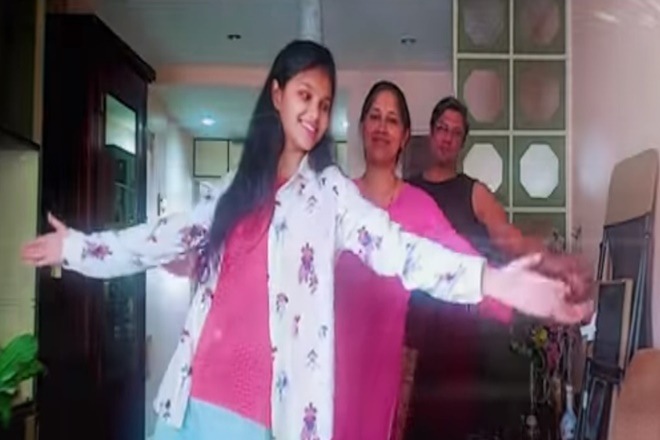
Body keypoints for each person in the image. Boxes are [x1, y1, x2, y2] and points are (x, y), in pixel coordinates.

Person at [21, 41, 591, 440]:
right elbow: (163, 237)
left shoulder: (332, 196)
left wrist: (499, 282)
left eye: (323, 102)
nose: (315, 113)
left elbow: (405, 252)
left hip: (260, 416)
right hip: (183, 405)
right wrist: (77, 249)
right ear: (276, 94)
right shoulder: (236, 190)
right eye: (304, 95)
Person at [406, 96, 593, 437]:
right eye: (442, 129)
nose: (447, 138)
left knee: (458, 422)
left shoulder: (474, 192)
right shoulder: (408, 191)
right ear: (431, 133)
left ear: (463, 142)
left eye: (456, 133)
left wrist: (555, 262)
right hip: (414, 327)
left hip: (460, 328)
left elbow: (512, 240)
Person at [333, 80, 493, 440]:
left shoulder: (419, 206)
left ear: (405, 136)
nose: (381, 127)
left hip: (389, 369)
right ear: (362, 126)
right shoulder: (337, 199)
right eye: (375, 116)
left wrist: (515, 290)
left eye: (392, 120)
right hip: (334, 364)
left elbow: (459, 258)